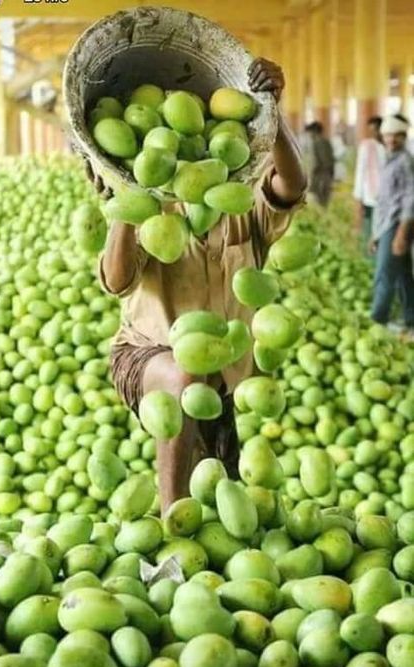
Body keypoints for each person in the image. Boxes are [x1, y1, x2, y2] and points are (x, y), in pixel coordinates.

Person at [96, 58, 307, 512]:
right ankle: (173, 514)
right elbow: (116, 282)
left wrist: (273, 112)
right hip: (147, 355)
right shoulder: (153, 209)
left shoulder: (241, 203)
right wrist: (123, 199)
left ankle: (188, 532)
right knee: (184, 375)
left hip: (223, 375)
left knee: (217, 487)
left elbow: (292, 183)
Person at [370, 114, 414, 331]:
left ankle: (378, 320)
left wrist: (402, 233)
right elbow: (385, 200)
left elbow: (409, 198)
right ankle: (410, 318)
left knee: (384, 274)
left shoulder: (405, 160)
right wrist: (375, 234)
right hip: (386, 224)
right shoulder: (389, 157)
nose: (391, 139)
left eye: (397, 136)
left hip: (396, 224)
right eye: (388, 135)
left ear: (404, 136)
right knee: (403, 274)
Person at [353, 116, 385, 254]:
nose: (375, 133)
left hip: (387, 196)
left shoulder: (388, 145)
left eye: (377, 129)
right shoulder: (366, 146)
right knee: (369, 228)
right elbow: (360, 171)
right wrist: (358, 198)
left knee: (382, 229)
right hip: (370, 196)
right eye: (372, 130)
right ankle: (368, 258)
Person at [301, 121, 335, 207]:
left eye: (309, 132)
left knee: (320, 201)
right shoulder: (326, 141)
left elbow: (315, 163)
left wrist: (309, 178)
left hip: (320, 177)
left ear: (314, 131)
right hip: (326, 175)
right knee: (324, 201)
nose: (309, 135)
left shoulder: (317, 143)